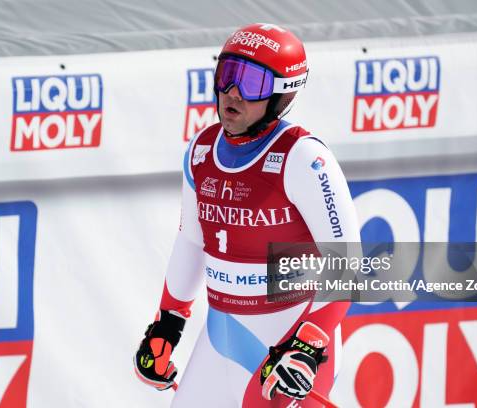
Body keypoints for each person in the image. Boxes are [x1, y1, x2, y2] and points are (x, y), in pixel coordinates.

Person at [134, 23, 360, 407]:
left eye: (251, 82)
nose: (232, 93)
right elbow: (192, 240)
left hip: (289, 339)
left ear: (282, 93)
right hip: (222, 330)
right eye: (227, 75)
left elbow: (347, 261)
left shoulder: (304, 158)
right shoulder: (202, 149)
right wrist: (167, 324)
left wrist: (307, 343)